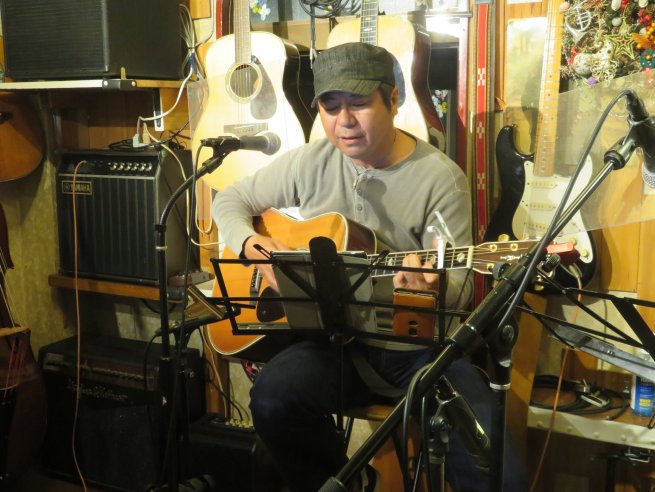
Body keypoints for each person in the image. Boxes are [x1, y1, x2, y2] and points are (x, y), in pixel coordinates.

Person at [211, 42, 526, 492]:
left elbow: (458, 284)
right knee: (272, 397)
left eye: (358, 104)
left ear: (393, 100)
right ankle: (351, 482)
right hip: (334, 345)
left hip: (416, 352)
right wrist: (251, 243)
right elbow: (230, 200)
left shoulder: (440, 179)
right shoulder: (310, 160)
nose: (344, 121)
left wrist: (429, 289)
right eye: (330, 107)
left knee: (495, 471)